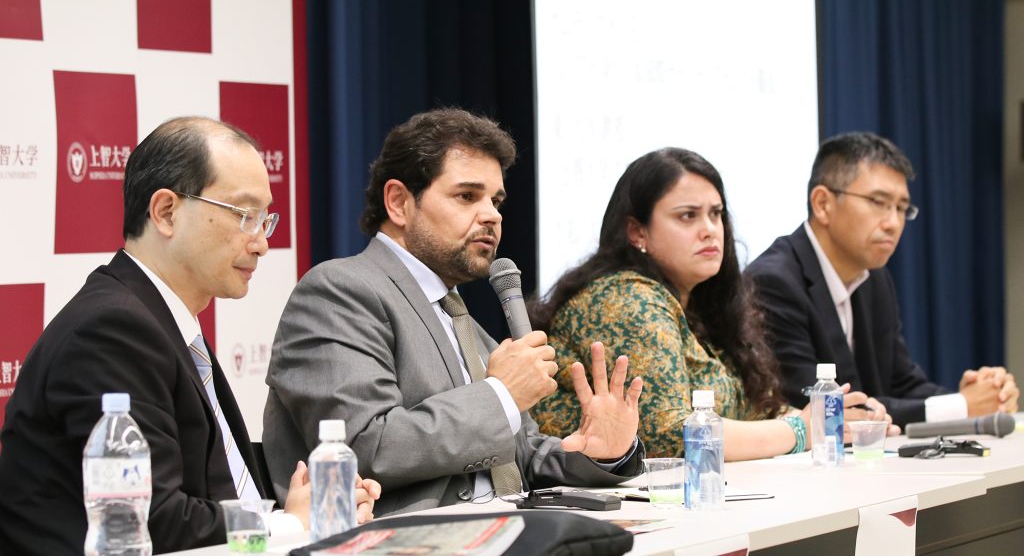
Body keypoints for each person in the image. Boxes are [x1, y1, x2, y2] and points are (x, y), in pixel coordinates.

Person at [0, 117, 379, 555]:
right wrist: (290, 523)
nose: (261, 244)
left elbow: (209, 477)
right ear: (166, 212)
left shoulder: (156, 317)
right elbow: (153, 520)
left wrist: (312, 495)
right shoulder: (111, 329)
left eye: (265, 220)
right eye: (245, 216)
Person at [263, 107, 645, 517]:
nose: (492, 215)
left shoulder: (460, 318)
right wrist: (500, 395)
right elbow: (364, 447)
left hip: (508, 528)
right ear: (399, 202)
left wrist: (600, 454)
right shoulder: (340, 291)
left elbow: (517, 457)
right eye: (467, 196)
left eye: (496, 200)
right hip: (409, 539)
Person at [530, 147, 895, 460]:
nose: (710, 229)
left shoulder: (699, 306)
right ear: (637, 232)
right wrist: (801, 429)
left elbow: (756, 412)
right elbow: (670, 434)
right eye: (687, 216)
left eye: (716, 214)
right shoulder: (625, 298)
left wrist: (840, 419)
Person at [747, 132, 1019, 427]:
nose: (893, 223)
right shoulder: (772, 283)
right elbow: (826, 409)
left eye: (901, 208)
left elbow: (903, 385)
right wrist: (961, 406)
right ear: (823, 204)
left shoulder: (874, 279)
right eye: (878, 202)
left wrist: (981, 397)